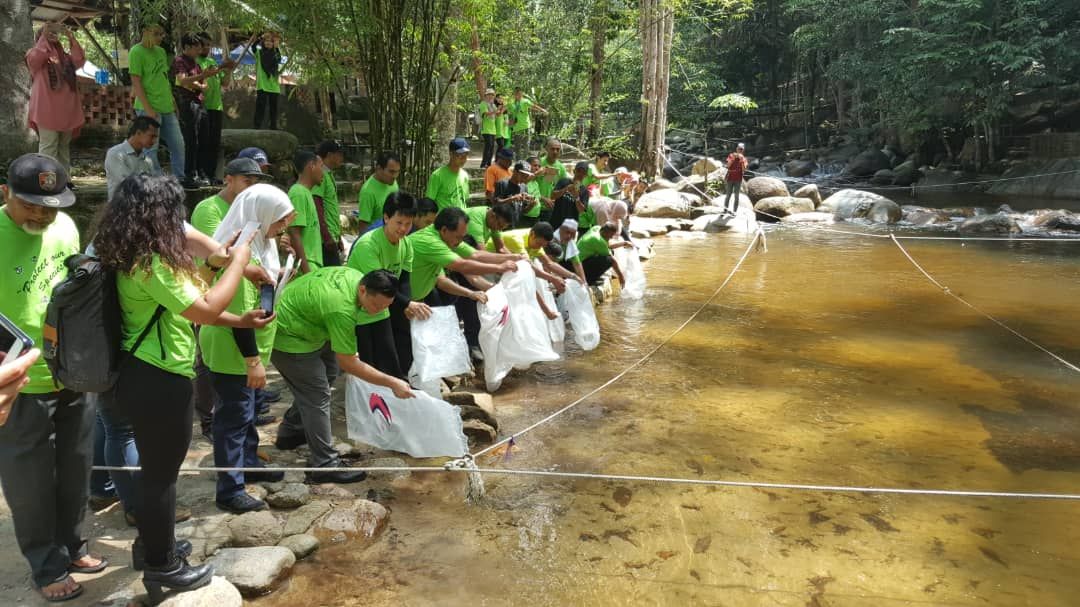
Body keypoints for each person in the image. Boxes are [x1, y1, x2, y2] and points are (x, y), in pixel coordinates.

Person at [93, 174, 273, 600]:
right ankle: (163, 568)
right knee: (161, 476)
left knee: (160, 472)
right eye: (173, 211)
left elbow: (191, 307)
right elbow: (209, 308)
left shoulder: (138, 253)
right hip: (156, 377)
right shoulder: (149, 262)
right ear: (158, 214)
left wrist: (241, 321)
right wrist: (237, 259)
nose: (179, 219)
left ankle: (154, 546)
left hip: (149, 372)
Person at [0, 154, 104, 603]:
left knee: (77, 465)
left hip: (73, 371)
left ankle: (73, 545)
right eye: (31, 205)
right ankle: (45, 564)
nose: (42, 215)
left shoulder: (65, 229)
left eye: (50, 206)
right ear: (6, 193)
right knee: (31, 481)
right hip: (19, 381)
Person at [271, 268, 414, 481]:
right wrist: (392, 382)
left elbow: (343, 355)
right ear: (363, 290)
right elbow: (349, 363)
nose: (377, 311)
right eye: (375, 305)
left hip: (311, 323)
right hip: (289, 335)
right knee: (316, 395)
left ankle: (292, 430)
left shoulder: (357, 278)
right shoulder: (341, 309)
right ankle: (325, 465)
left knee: (329, 371)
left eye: (385, 307)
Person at [202, 184, 294, 513]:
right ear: (261, 214)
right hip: (233, 352)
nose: (283, 228)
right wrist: (253, 361)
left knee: (248, 411)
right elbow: (239, 314)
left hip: (247, 348)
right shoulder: (240, 252)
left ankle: (250, 460)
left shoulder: (258, 247)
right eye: (280, 220)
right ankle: (230, 488)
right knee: (232, 418)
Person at [190, 157, 271, 437]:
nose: (252, 187)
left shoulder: (251, 210)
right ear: (228, 179)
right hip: (211, 289)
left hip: (242, 293)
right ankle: (209, 420)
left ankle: (239, 422)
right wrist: (247, 267)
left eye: (255, 182)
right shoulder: (208, 209)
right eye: (247, 181)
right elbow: (216, 252)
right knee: (206, 360)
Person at [408, 208, 523, 358]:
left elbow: (473, 255)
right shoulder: (431, 243)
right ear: (444, 230)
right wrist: (499, 267)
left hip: (420, 299)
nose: (460, 242)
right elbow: (463, 265)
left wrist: (514, 257)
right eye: (458, 237)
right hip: (402, 300)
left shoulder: (447, 239)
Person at [346, 192, 431, 376]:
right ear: (386, 218)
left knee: (396, 357)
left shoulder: (406, 244)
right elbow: (379, 287)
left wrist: (407, 306)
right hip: (362, 310)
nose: (403, 229)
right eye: (399, 222)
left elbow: (404, 281)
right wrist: (408, 304)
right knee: (369, 365)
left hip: (384, 306)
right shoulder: (368, 245)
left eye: (408, 224)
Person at [25, 22, 85, 177]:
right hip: (46, 111)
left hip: (67, 110)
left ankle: (64, 182)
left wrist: (70, 37)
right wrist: (44, 36)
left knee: (63, 147)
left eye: (53, 34)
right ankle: (47, 183)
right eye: (47, 34)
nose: (52, 36)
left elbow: (79, 59)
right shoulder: (34, 53)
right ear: (40, 38)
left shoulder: (65, 58)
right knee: (48, 147)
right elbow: (35, 59)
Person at [129, 24, 187, 182]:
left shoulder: (160, 52)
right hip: (148, 108)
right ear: (146, 32)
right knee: (150, 148)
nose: (161, 37)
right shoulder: (136, 51)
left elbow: (163, 79)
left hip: (166, 106)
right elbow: (136, 81)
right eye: (157, 34)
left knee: (178, 144)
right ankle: (156, 181)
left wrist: (173, 101)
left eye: (162, 34)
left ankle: (179, 180)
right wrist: (148, 109)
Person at [172, 33, 218, 188]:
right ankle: (189, 174)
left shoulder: (196, 64)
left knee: (203, 138)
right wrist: (200, 79)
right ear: (186, 48)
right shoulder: (180, 61)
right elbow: (183, 80)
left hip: (199, 104)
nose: (199, 51)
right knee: (191, 139)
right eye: (196, 48)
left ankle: (201, 172)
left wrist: (198, 82)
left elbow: (203, 85)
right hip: (187, 104)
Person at [195, 32, 233, 184]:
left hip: (216, 107)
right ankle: (201, 174)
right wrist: (220, 67)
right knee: (203, 142)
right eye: (203, 44)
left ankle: (211, 175)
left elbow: (224, 83)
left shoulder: (212, 61)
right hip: (202, 107)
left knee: (214, 143)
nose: (206, 48)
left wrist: (228, 69)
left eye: (208, 45)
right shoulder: (194, 61)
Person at [104, 115, 160, 200]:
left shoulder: (147, 160)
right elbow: (127, 184)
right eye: (152, 136)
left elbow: (154, 186)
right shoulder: (115, 153)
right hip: (120, 208)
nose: (154, 141)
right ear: (138, 133)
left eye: (156, 137)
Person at [288, 150, 325, 274]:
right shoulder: (298, 193)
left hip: (313, 263)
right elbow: (294, 233)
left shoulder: (306, 193)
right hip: (306, 266)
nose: (323, 172)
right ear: (311, 166)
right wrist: (306, 271)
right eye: (321, 166)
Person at [311, 140, 345, 266]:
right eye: (339, 154)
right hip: (325, 239)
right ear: (330, 155)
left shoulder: (328, 174)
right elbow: (317, 204)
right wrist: (326, 236)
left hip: (332, 235)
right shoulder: (321, 175)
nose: (342, 158)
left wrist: (338, 236)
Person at [356, 150, 400, 233]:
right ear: (379, 168)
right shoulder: (368, 192)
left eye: (397, 172)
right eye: (391, 172)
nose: (395, 176)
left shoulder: (392, 182)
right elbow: (363, 225)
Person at [426, 138, 471, 211]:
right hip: (444, 220)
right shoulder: (437, 175)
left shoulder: (464, 175)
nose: (463, 158)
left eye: (466, 155)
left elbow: (464, 199)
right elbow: (429, 202)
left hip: (461, 218)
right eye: (459, 155)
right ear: (451, 154)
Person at [253, 32, 283, 130]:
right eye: (266, 41)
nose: (268, 43)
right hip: (262, 85)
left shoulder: (275, 53)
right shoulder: (259, 52)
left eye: (271, 41)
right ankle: (257, 126)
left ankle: (273, 126)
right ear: (263, 42)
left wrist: (277, 47)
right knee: (260, 107)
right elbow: (253, 46)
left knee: (273, 109)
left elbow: (279, 59)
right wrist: (260, 37)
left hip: (273, 86)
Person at [493, 160, 538, 226]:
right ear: (515, 171)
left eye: (527, 175)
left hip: (516, 225)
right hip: (501, 225)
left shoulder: (524, 187)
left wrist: (532, 205)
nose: (525, 177)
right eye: (523, 174)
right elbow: (495, 204)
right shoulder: (502, 183)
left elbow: (524, 211)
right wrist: (512, 199)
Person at [508, 87, 547, 159]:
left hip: (526, 126)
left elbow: (533, 106)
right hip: (516, 128)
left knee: (526, 145)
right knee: (517, 146)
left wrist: (542, 110)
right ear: (514, 94)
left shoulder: (525, 101)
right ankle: (518, 161)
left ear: (522, 94)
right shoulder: (511, 104)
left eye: (520, 94)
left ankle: (525, 160)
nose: (518, 95)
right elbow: (507, 112)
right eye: (516, 94)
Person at [553, 219, 586, 283]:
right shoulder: (552, 240)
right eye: (567, 232)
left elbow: (577, 264)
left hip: (560, 267)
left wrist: (584, 282)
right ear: (561, 230)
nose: (569, 236)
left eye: (572, 234)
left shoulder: (570, 242)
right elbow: (549, 263)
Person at [523, 156, 549, 227]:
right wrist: (537, 173)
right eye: (535, 165)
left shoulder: (535, 182)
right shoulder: (524, 179)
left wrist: (545, 200)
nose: (537, 168)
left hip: (536, 217)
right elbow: (523, 183)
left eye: (539, 166)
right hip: (525, 218)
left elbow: (537, 196)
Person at [723, 143, 748, 216]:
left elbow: (744, 169)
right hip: (730, 177)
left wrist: (742, 160)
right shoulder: (731, 155)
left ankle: (734, 211)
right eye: (739, 149)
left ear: (743, 150)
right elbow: (727, 166)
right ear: (736, 149)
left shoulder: (744, 158)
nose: (740, 150)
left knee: (737, 196)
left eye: (741, 149)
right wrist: (733, 159)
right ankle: (725, 210)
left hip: (738, 179)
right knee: (728, 195)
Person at [478, 88, 500, 168]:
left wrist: (501, 109)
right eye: (489, 95)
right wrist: (495, 111)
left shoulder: (493, 105)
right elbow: (486, 114)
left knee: (492, 147)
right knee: (488, 146)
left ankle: (489, 164)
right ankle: (483, 164)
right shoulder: (483, 104)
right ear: (486, 96)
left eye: (492, 95)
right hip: (486, 129)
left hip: (493, 129)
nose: (490, 96)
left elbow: (497, 115)